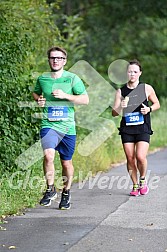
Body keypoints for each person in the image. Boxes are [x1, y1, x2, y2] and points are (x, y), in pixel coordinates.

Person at [32, 46, 89, 209]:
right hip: (48, 124)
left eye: (59, 58)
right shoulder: (42, 78)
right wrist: (39, 100)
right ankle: (50, 189)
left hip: (67, 127)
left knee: (66, 163)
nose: (55, 60)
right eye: (52, 58)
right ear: (48, 60)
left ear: (65, 61)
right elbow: (36, 93)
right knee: (48, 156)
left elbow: (85, 100)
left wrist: (65, 96)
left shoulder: (72, 79)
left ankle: (66, 192)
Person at [112, 59, 160, 196]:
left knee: (140, 156)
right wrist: (121, 106)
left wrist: (149, 109)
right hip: (127, 128)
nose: (132, 74)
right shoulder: (121, 91)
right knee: (130, 158)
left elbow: (157, 104)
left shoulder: (146, 88)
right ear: (126, 74)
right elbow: (114, 113)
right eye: (129, 72)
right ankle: (134, 185)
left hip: (142, 127)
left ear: (140, 73)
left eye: (135, 72)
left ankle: (143, 179)